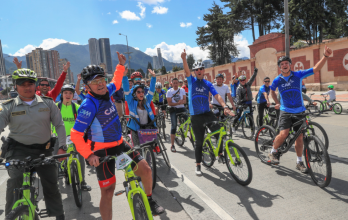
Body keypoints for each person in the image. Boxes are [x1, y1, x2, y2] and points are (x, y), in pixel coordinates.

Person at [71, 52, 164, 220]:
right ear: (87, 86)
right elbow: (76, 134)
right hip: (101, 152)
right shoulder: (88, 105)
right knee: (108, 190)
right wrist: (89, 155)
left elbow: (116, 81)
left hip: (120, 144)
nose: (100, 85)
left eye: (101, 80)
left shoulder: (108, 90)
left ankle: (149, 200)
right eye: (95, 82)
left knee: (146, 170)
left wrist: (121, 65)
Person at [1, 69, 67, 219]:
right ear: (15, 86)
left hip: (44, 151)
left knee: (51, 185)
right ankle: (10, 216)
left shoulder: (48, 103)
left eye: (30, 83)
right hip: (18, 150)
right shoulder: (8, 106)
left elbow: (60, 125)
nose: (27, 86)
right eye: (22, 84)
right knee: (14, 183)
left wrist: (62, 147)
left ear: (35, 85)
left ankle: (58, 215)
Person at [269, 45, 332, 173]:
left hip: (299, 111)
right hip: (285, 110)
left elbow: (316, 68)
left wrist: (325, 56)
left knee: (299, 137)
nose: (284, 65)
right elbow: (272, 91)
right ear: (280, 67)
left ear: (290, 65)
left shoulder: (298, 75)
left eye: (286, 63)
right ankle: (273, 152)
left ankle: (299, 161)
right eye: (282, 64)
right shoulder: (277, 80)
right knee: (284, 134)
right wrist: (277, 103)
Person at [181, 49, 234, 176]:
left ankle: (220, 154)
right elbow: (186, 71)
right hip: (196, 116)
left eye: (201, 69)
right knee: (199, 142)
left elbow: (217, 96)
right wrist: (184, 59)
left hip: (207, 113)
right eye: (197, 69)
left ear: (204, 71)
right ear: (195, 72)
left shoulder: (208, 83)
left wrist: (225, 106)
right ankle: (198, 165)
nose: (199, 71)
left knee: (219, 132)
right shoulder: (191, 81)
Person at [52, 84, 91, 191]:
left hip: (75, 137)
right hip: (59, 137)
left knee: (80, 158)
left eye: (70, 93)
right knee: (53, 160)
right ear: (62, 94)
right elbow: (50, 121)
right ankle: (53, 185)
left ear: (73, 95)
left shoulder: (77, 107)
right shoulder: (56, 107)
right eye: (65, 93)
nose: (68, 95)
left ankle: (82, 182)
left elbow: (85, 120)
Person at [166, 78, 187, 152]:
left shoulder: (182, 90)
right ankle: (172, 145)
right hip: (173, 109)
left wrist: (182, 101)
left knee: (189, 121)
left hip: (182, 108)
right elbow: (169, 103)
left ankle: (191, 137)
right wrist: (177, 103)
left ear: (178, 83)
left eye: (176, 83)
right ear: (171, 83)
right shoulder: (169, 91)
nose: (175, 84)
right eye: (174, 83)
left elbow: (185, 101)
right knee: (174, 125)